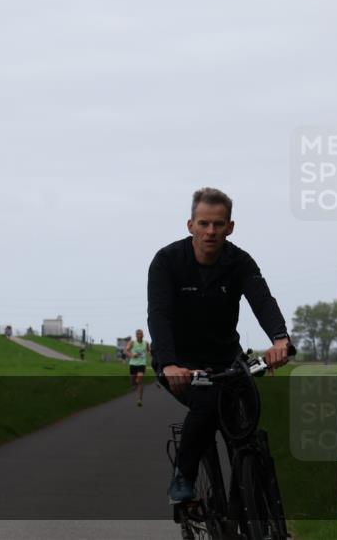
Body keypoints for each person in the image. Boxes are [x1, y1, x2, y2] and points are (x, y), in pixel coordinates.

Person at [148, 187, 291, 503]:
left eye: (218, 224)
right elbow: (159, 315)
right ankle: (184, 475)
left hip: (227, 360)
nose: (211, 231)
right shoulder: (167, 261)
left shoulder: (239, 262)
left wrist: (280, 338)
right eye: (204, 223)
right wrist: (169, 363)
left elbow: (262, 301)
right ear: (191, 226)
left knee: (244, 425)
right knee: (208, 403)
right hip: (180, 362)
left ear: (230, 227)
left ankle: (246, 501)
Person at [123, 328, 151, 406]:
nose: (139, 336)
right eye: (138, 334)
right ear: (136, 336)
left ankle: (140, 399)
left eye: (140, 334)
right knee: (133, 381)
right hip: (133, 364)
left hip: (142, 364)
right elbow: (125, 351)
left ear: (143, 335)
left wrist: (151, 353)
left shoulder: (146, 343)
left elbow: (149, 350)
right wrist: (132, 355)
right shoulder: (132, 343)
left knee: (140, 380)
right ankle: (134, 383)